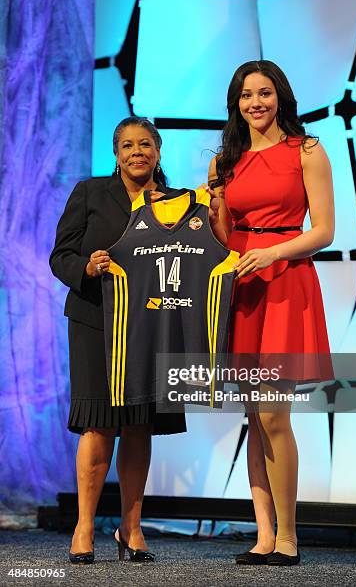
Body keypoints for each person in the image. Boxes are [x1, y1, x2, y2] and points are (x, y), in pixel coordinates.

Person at [207, 60, 334, 566]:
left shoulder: (307, 150)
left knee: (272, 413)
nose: (254, 103)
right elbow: (222, 235)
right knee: (252, 417)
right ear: (235, 102)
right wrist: (216, 211)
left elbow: (324, 231)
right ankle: (263, 537)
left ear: (280, 96)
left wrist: (275, 252)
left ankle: (289, 538)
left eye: (263, 93)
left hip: (284, 281)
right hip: (241, 288)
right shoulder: (224, 161)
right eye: (245, 95)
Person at [49, 117, 186, 564]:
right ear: (116, 153)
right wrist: (87, 267)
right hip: (94, 323)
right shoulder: (89, 193)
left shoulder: (177, 203)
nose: (136, 152)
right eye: (127, 145)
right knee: (98, 424)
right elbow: (60, 256)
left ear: (158, 152)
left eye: (145, 144)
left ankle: (131, 528)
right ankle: (85, 526)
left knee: (139, 424)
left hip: (152, 327)